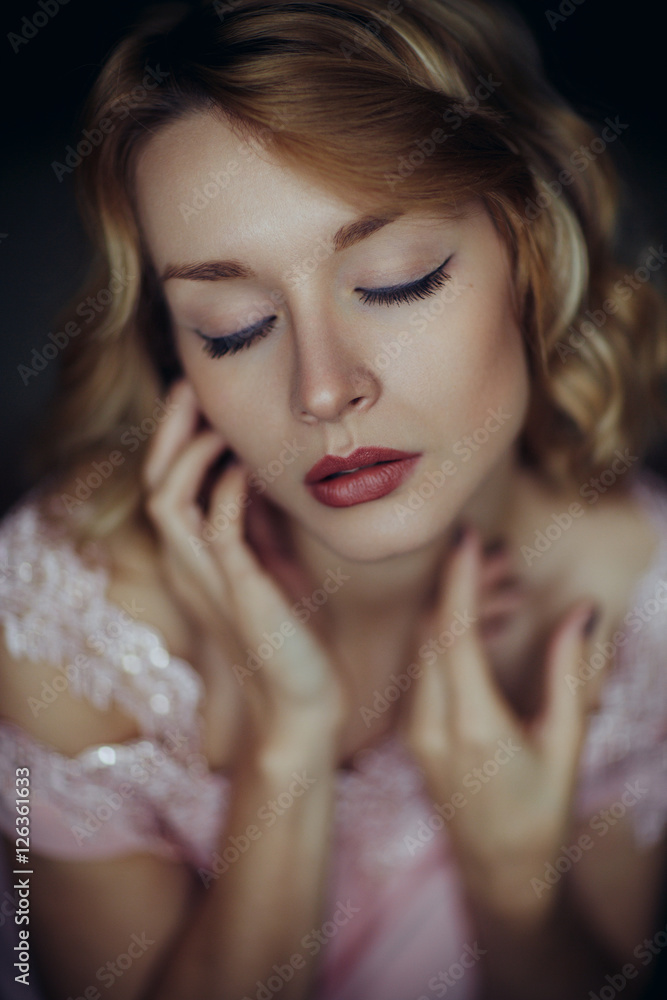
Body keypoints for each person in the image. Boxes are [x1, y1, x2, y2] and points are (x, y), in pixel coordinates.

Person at [1, 0, 667, 997]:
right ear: (173, 350)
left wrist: (516, 882)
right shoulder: (66, 619)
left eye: (398, 281)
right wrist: (289, 744)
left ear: (530, 251)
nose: (321, 390)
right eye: (232, 326)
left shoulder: (641, 596)